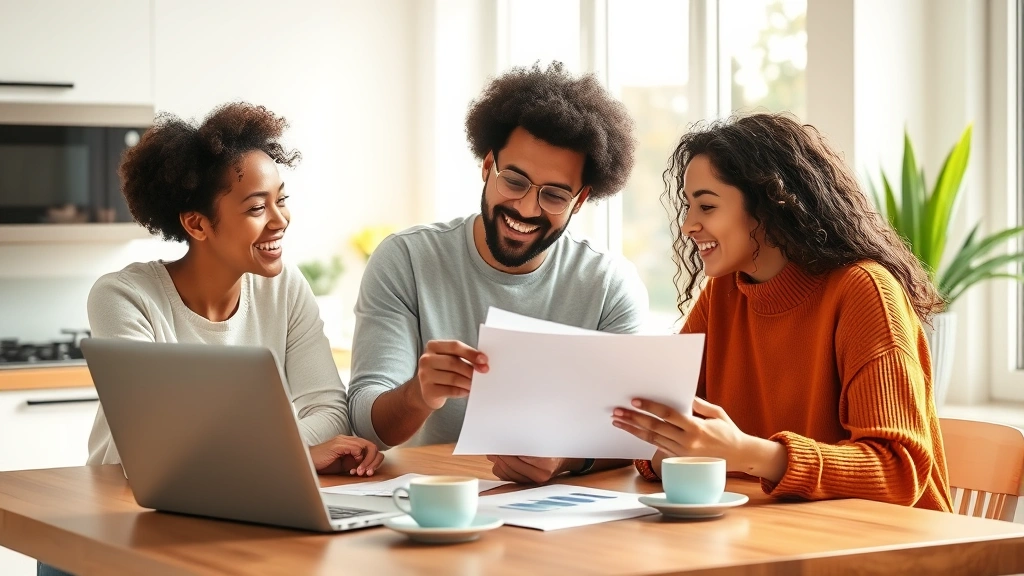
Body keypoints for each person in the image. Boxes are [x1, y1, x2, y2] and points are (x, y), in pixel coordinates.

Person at [613, 113, 952, 511]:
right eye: (689, 206)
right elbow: (660, 436)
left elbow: (897, 471)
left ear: (771, 204)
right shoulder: (724, 293)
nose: (688, 225)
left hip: (894, 540)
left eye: (706, 206)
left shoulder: (863, 290)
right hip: (778, 528)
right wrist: (667, 441)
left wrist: (746, 453)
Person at [347, 62, 650, 484]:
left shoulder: (610, 284)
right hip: (437, 496)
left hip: (561, 510)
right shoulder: (407, 259)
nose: (526, 208)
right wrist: (419, 394)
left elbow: (635, 432)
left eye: (554, 195)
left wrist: (566, 458)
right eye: (515, 181)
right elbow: (366, 422)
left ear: (580, 200)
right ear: (488, 165)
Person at [84, 103, 383, 477]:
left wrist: (259, 456)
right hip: (127, 498)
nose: (280, 220)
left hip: (247, 490)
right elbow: (153, 444)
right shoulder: (124, 297)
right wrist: (295, 454)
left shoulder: (284, 288)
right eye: (257, 208)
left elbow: (331, 413)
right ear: (197, 224)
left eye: (281, 200)